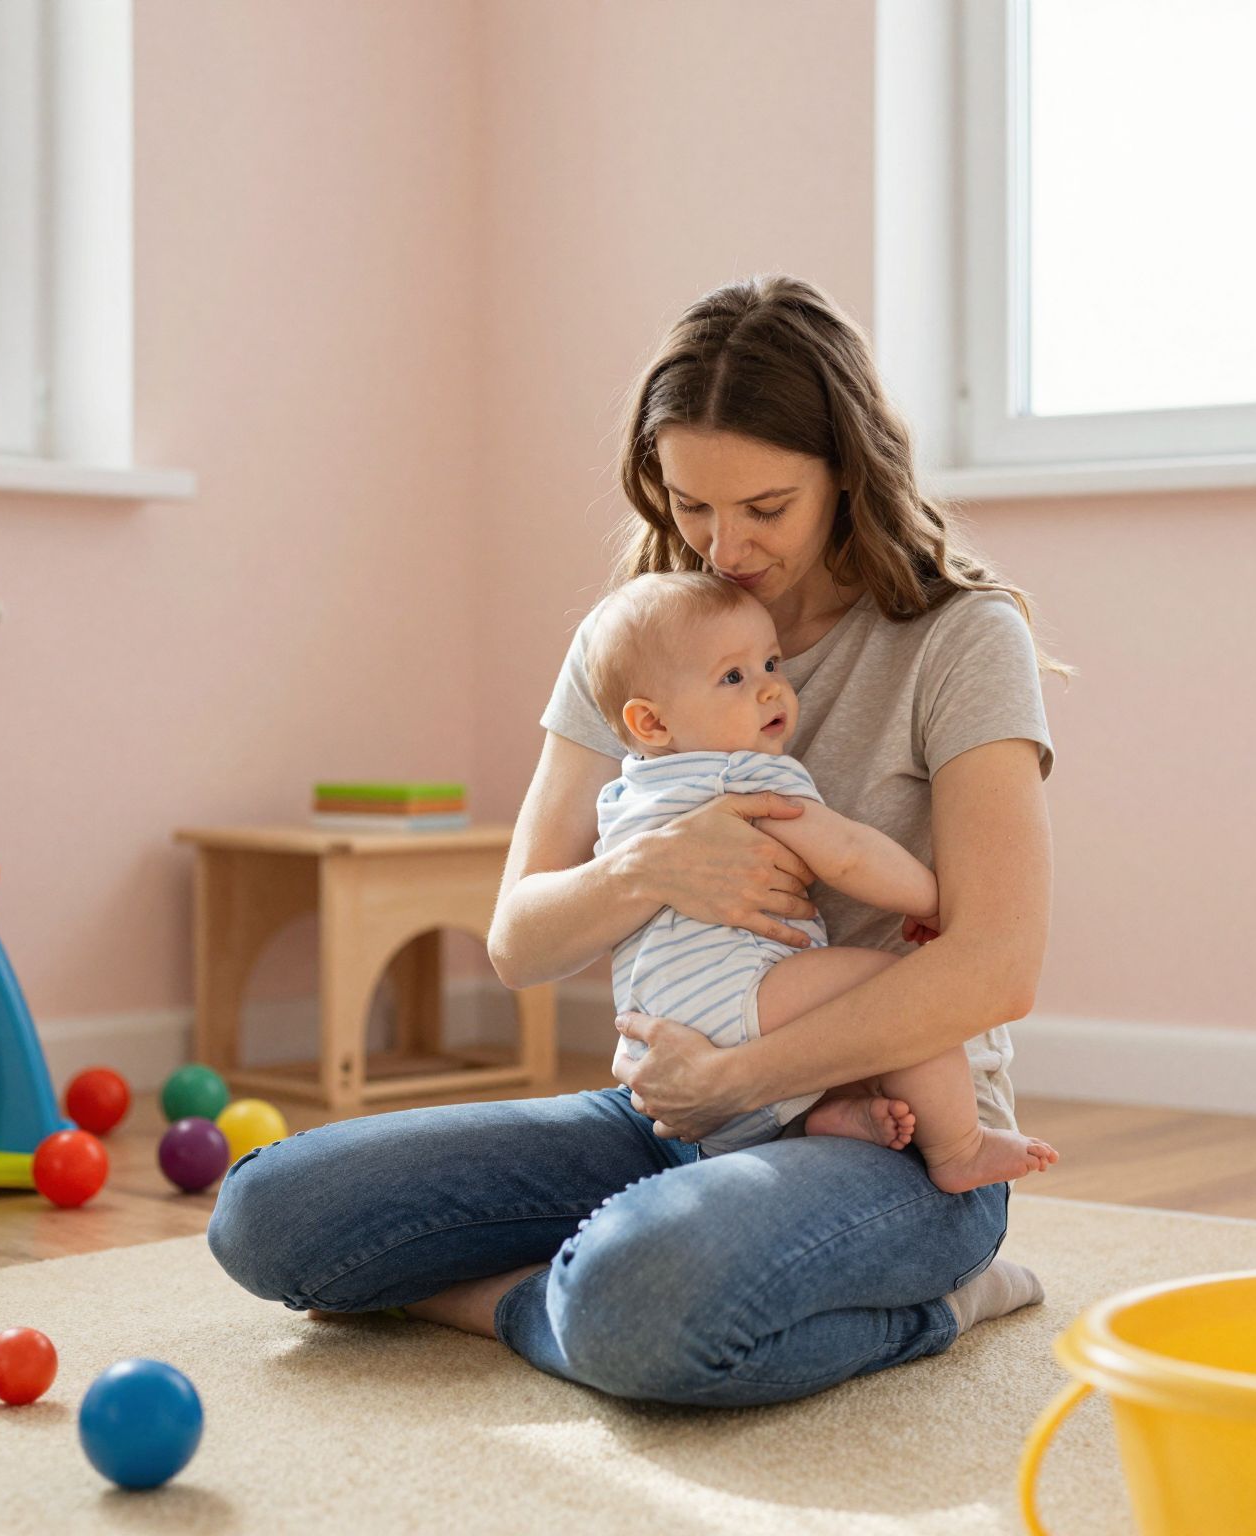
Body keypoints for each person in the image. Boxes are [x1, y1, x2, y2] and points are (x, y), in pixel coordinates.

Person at [206, 273, 1067, 1407]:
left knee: (642, 1299)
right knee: (271, 1215)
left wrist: (736, 1078)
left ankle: (932, 1297)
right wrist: (647, 868)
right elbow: (518, 939)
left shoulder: (960, 638)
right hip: (665, 1112)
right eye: (690, 505)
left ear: (846, 472)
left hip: (893, 1135)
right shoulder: (638, 641)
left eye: (765, 507)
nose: (723, 546)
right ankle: (583, 1286)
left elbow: (996, 964)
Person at [583, 568, 1060, 1186]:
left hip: (661, 1042)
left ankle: (826, 1120)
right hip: (739, 994)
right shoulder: (744, 775)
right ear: (651, 722)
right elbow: (848, 855)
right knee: (901, 995)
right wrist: (931, 899)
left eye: (772, 664)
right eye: (734, 677)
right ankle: (960, 1148)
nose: (770, 690)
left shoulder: (627, 796)